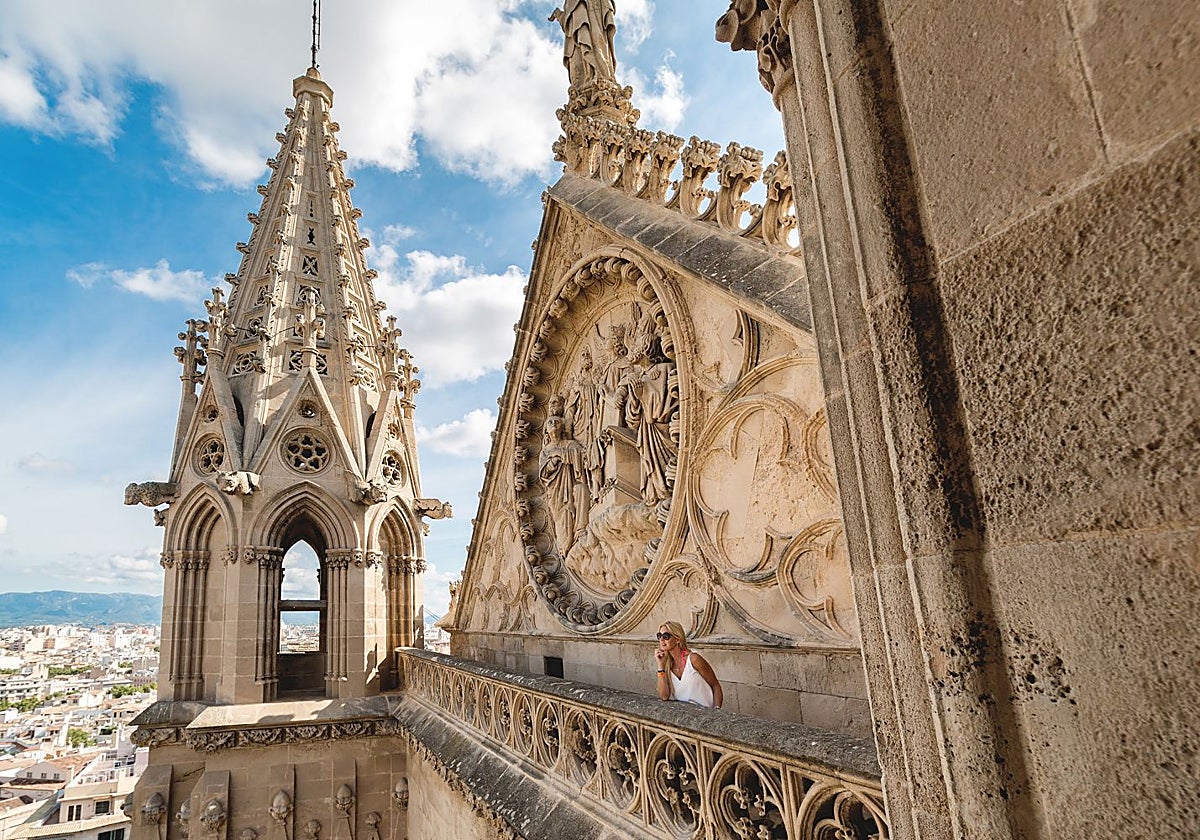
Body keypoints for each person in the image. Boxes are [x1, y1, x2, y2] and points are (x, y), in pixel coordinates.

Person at [654, 621, 723, 709]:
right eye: (659, 636)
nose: (661, 640)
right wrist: (660, 666)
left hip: (706, 716)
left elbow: (715, 686)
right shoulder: (667, 665)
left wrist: (716, 711)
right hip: (686, 717)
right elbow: (664, 696)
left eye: (666, 636)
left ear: (677, 639)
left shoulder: (694, 659)